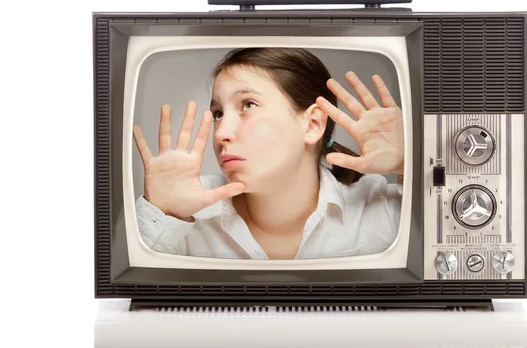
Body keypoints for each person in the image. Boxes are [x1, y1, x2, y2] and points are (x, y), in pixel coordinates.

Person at [133, 48, 404, 260]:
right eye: (218, 113)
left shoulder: (382, 209)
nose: (221, 133)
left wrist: (410, 163)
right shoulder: (188, 210)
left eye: (248, 105)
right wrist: (164, 214)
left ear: (312, 124)